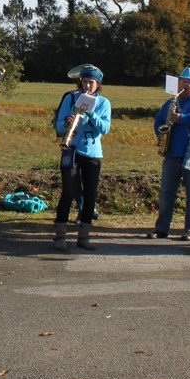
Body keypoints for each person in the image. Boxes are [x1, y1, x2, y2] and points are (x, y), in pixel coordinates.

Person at [148, 67, 190, 241]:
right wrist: (161, 134)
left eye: (188, 82)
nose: (184, 84)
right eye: (182, 81)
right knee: (166, 192)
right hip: (172, 152)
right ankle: (161, 228)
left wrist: (182, 118)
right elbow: (159, 119)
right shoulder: (172, 101)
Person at [51, 65, 112, 251]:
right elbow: (59, 128)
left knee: (90, 194)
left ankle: (83, 236)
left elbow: (105, 129)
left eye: (91, 82)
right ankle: (60, 236)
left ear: (97, 84)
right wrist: (66, 123)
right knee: (68, 192)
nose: (87, 85)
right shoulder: (70, 98)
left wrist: (91, 113)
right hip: (71, 150)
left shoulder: (104, 103)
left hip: (93, 154)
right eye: (85, 81)